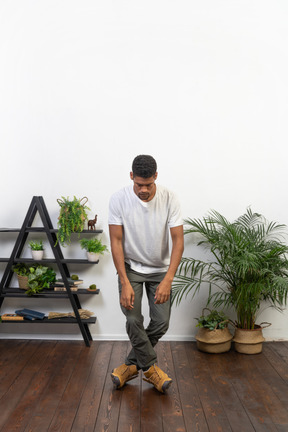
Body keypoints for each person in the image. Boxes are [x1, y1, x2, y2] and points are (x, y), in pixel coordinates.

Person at [108, 155, 184, 393]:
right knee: (133, 319)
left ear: (156, 178)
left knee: (161, 322)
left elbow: (178, 241)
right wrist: (124, 280)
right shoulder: (118, 199)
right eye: (139, 184)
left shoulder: (169, 198)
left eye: (148, 185)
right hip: (131, 269)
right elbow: (116, 241)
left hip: (160, 271)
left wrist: (168, 279)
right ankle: (152, 371)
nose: (143, 189)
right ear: (131, 176)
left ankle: (130, 366)